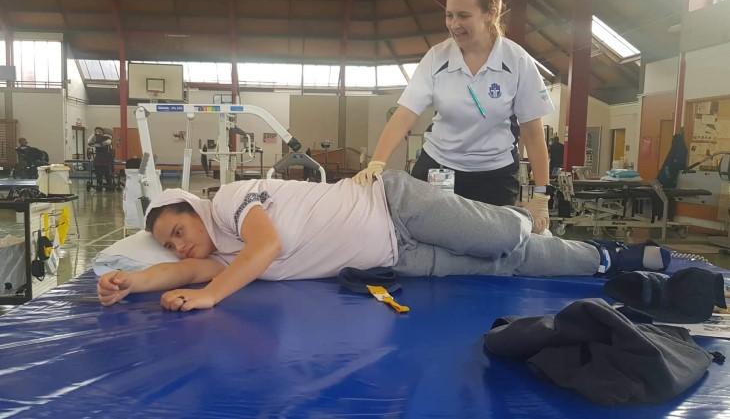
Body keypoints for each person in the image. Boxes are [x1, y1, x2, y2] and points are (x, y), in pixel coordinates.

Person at [97, 172, 671, 311]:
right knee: (503, 268)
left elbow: (265, 249)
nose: (179, 247)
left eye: (177, 231)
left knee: (503, 235)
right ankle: (604, 256)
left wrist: (211, 297)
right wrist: (131, 282)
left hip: (394, 204)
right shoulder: (219, 258)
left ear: (192, 208)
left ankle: (522, 213)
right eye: (169, 244)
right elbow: (180, 276)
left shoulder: (231, 204)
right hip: (397, 257)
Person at [352, 0, 553, 233]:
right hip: (439, 165)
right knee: (423, 237)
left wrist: (541, 195)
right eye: (449, 15)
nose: (454, 24)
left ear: (490, 13)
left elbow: (534, 135)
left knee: (491, 246)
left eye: (464, 16)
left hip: (494, 174)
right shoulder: (437, 57)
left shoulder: (517, 61)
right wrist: (377, 162)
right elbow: (405, 114)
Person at [88, 127, 115, 191]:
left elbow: (109, 141)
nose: (98, 132)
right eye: (96, 131)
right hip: (98, 160)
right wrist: (93, 134)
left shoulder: (106, 137)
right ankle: (99, 186)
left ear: (103, 132)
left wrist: (104, 143)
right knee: (98, 175)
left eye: (99, 131)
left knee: (108, 174)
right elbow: (89, 141)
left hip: (106, 159)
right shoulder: (94, 138)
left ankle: (109, 186)